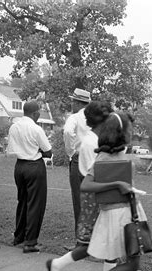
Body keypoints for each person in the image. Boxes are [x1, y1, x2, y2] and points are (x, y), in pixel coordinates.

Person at [46, 101, 122, 271]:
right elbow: (95, 175)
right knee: (89, 244)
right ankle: (57, 264)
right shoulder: (90, 143)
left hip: (102, 196)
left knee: (111, 241)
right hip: (96, 198)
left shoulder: (97, 138)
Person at [76, 111, 146, 271]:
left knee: (134, 260)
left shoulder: (119, 153)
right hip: (117, 215)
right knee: (133, 262)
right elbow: (86, 185)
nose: (132, 133)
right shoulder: (103, 157)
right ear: (120, 132)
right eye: (129, 130)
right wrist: (116, 183)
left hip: (129, 211)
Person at [7, 101, 53, 253]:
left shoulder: (14, 126)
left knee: (22, 201)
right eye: (39, 112)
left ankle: (18, 237)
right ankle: (30, 242)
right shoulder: (36, 128)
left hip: (19, 167)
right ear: (35, 113)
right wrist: (38, 149)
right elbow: (48, 151)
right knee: (35, 204)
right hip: (34, 166)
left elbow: (12, 149)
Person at [63, 88, 92, 249]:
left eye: (73, 101)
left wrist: (71, 152)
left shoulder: (74, 117)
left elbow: (67, 132)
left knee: (79, 202)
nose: (71, 104)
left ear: (77, 102)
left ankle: (82, 242)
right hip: (94, 161)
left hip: (79, 160)